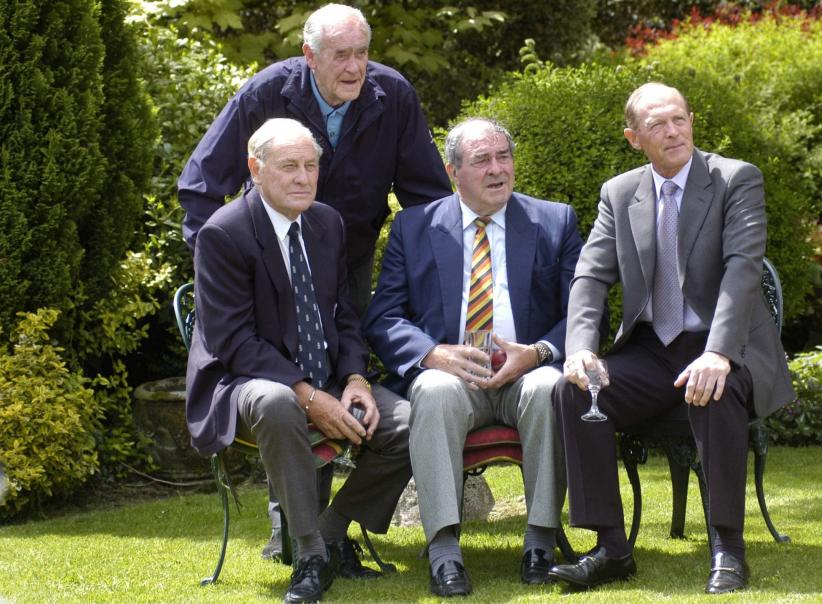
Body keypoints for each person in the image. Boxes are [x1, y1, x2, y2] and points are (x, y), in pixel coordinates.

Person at [177, 3, 450, 559]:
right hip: (259, 269)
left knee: (339, 381)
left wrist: (439, 285)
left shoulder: (391, 96)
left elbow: (427, 198)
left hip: (340, 260)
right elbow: (201, 187)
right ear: (309, 56)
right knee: (286, 389)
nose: (354, 68)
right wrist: (228, 265)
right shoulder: (265, 93)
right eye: (340, 55)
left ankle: (324, 532)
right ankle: (294, 534)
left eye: (362, 54)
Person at [548, 82, 795, 595]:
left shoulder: (734, 179)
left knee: (713, 387)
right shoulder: (620, 193)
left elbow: (742, 269)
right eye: (657, 124)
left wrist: (718, 353)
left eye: (679, 119)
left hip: (726, 346)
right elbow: (590, 277)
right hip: (651, 349)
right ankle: (611, 548)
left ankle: (728, 548)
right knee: (575, 389)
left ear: (692, 121)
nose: (673, 131)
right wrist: (579, 350)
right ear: (634, 137)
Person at [185, 118, 412, 603]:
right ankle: (308, 555)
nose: (303, 178)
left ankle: (331, 531)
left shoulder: (326, 223)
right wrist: (309, 396)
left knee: (411, 423)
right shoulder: (223, 234)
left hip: (326, 375)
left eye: (311, 166)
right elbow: (234, 342)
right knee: (277, 401)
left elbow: (344, 314)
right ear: (256, 169)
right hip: (242, 380)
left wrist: (355, 380)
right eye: (289, 167)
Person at [363, 118, 584, 597]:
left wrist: (539, 352)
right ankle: (444, 551)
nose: (497, 168)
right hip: (456, 379)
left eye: (504, 156)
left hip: (525, 375)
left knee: (552, 387)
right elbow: (383, 317)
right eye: (482, 160)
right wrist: (431, 353)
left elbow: (584, 313)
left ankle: (540, 541)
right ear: (453, 170)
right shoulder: (415, 226)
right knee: (433, 388)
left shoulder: (554, 220)